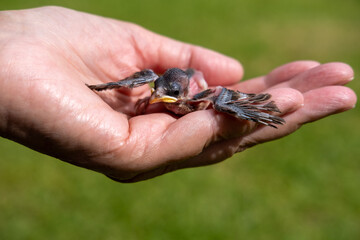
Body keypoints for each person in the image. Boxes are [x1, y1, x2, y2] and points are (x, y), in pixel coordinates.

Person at [0, 6, 356, 182]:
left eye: (165, 94)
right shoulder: (158, 88)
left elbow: (199, 92)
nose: (157, 97)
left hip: (200, 89)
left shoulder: (200, 92)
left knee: (222, 102)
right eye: (156, 94)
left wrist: (236, 103)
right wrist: (115, 88)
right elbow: (153, 88)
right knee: (153, 85)